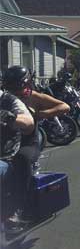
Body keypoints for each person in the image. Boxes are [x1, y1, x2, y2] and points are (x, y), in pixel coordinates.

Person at [0, 67, 37, 230]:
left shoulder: (9, 101)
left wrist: (11, 117)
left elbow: (29, 123)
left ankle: (14, 211)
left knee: (22, 159)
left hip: (6, 154)